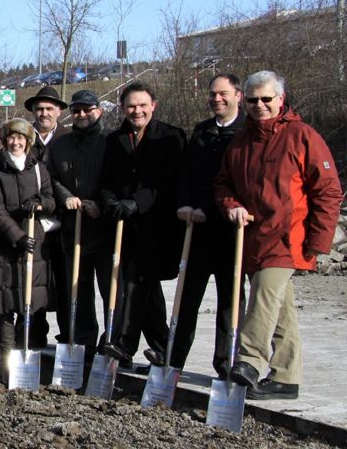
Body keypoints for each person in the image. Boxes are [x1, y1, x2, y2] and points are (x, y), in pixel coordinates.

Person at [217, 70, 342, 400]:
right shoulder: (241, 140)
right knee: (280, 305)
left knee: (263, 295)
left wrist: (318, 241)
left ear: (281, 99)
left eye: (266, 99)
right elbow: (223, 184)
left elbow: (328, 190)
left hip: (289, 237)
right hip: (255, 237)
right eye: (253, 100)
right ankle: (286, 377)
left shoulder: (302, 136)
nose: (260, 105)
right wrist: (231, 205)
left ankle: (249, 360)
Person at [100, 81, 186, 368]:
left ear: (153, 106)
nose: (136, 111)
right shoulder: (114, 140)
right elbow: (107, 180)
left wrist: (136, 203)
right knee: (141, 285)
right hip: (124, 227)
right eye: (131, 106)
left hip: (156, 226)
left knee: (138, 283)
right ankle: (163, 347)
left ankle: (125, 344)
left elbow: (167, 183)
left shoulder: (171, 137)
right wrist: (110, 200)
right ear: (123, 109)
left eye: (142, 105)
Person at [169, 74, 246, 378]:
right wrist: (185, 203)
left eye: (223, 94)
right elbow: (185, 172)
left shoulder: (246, 133)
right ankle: (174, 358)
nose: (217, 99)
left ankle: (226, 363)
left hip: (230, 231)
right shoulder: (202, 131)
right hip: (197, 229)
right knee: (186, 299)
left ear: (238, 95)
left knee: (230, 302)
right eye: (213, 94)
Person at [45, 89, 120, 355]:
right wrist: (66, 197)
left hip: (104, 227)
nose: (82, 115)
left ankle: (113, 342)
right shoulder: (60, 145)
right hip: (72, 228)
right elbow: (49, 177)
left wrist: (101, 203)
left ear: (99, 111)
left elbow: (117, 178)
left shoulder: (111, 141)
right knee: (79, 288)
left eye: (87, 109)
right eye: (77, 110)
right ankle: (84, 341)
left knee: (111, 290)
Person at [0, 118, 56, 369]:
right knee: (6, 303)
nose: (16, 142)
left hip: (35, 242)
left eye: (20, 138)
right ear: (4, 141)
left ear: (28, 141)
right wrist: (18, 236)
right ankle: (6, 361)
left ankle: (27, 356)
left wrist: (40, 204)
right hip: (5, 244)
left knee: (30, 301)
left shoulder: (38, 168)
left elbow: (50, 198)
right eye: (11, 138)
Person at [24, 86, 70, 347]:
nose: (44, 113)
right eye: (39, 109)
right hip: (31, 222)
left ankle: (68, 337)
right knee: (34, 281)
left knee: (64, 283)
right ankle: (34, 335)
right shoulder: (22, 138)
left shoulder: (68, 138)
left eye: (49, 109)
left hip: (64, 222)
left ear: (58, 111)